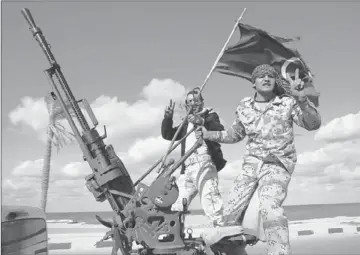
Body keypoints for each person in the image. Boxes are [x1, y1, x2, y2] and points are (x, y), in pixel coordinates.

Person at [195, 64, 321, 255]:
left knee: (269, 206)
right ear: (253, 83)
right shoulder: (245, 106)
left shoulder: (287, 103)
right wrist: (207, 134)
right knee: (228, 218)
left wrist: (302, 100)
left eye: (270, 75)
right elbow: (234, 134)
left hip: (277, 162)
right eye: (261, 76)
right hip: (251, 165)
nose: (266, 78)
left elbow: (313, 124)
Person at [161, 87, 227, 226]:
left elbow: (219, 129)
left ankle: (221, 234)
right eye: (190, 101)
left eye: (196, 100)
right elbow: (168, 135)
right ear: (186, 104)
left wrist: (202, 122)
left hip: (205, 165)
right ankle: (173, 235)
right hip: (187, 169)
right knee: (177, 204)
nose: (193, 103)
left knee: (211, 202)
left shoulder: (210, 116)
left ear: (202, 102)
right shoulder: (186, 123)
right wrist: (167, 118)